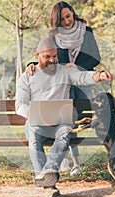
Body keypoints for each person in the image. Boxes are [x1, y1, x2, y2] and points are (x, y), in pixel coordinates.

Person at [15, 37, 112, 197]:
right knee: (33, 134)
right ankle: (46, 184)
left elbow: (82, 77)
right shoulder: (27, 77)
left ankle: (49, 171)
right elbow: (20, 105)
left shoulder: (65, 71)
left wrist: (98, 76)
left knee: (65, 133)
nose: (52, 60)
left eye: (54, 56)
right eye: (47, 57)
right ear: (37, 55)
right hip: (37, 121)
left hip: (61, 122)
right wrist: (34, 113)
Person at [26, 1, 101, 176]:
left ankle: (75, 162)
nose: (67, 21)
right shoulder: (54, 36)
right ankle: (63, 158)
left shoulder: (86, 32)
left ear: (72, 13)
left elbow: (95, 58)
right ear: (57, 21)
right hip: (62, 83)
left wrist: (76, 65)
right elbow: (47, 57)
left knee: (75, 119)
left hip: (82, 81)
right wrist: (32, 65)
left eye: (68, 16)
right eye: (62, 19)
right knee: (64, 118)